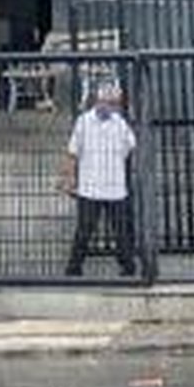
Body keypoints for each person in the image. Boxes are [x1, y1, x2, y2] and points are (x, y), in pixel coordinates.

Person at [62, 76, 142, 279]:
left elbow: (130, 146)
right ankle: (74, 268)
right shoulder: (83, 122)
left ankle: (128, 267)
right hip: (90, 187)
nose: (109, 106)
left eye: (113, 103)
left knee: (122, 231)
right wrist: (70, 178)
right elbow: (73, 152)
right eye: (106, 101)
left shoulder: (120, 123)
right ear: (97, 101)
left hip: (115, 188)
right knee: (84, 231)